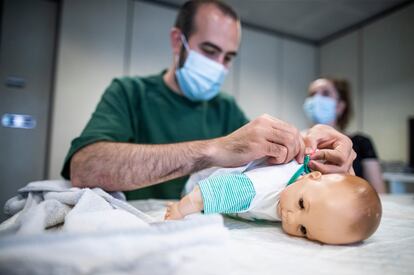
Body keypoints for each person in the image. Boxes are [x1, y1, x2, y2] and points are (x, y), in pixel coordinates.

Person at [61, 0, 355, 201]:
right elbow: (85, 167)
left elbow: (265, 170)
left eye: (228, 57)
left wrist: (312, 152)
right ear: (178, 41)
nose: (220, 66)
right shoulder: (130, 93)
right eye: (210, 51)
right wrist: (215, 149)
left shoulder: (224, 108)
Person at [164, 156, 382, 245]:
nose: (290, 217)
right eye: (302, 204)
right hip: (200, 182)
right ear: (312, 175)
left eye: (304, 229)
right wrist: (180, 210)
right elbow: (211, 193)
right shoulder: (262, 187)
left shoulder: (307, 192)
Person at [303, 77, 386, 193]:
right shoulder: (298, 142)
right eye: (312, 94)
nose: (316, 99)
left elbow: (378, 193)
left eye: (325, 93)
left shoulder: (361, 142)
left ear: (340, 106)